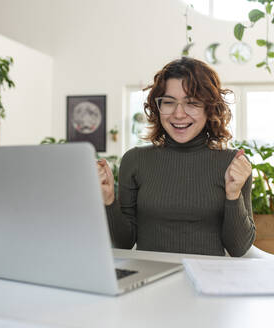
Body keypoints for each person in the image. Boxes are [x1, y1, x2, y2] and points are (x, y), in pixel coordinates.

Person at [97, 57, 255, 257]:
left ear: (209, 108)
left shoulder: (233, 164)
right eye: (169, 102)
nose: (178, 114)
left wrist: (233, 195)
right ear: (157, 107)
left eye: (192, 103)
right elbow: (124, 243)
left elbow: (238, 248)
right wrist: (109, 200)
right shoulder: (135, 160)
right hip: (150, 278)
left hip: (210, 279)